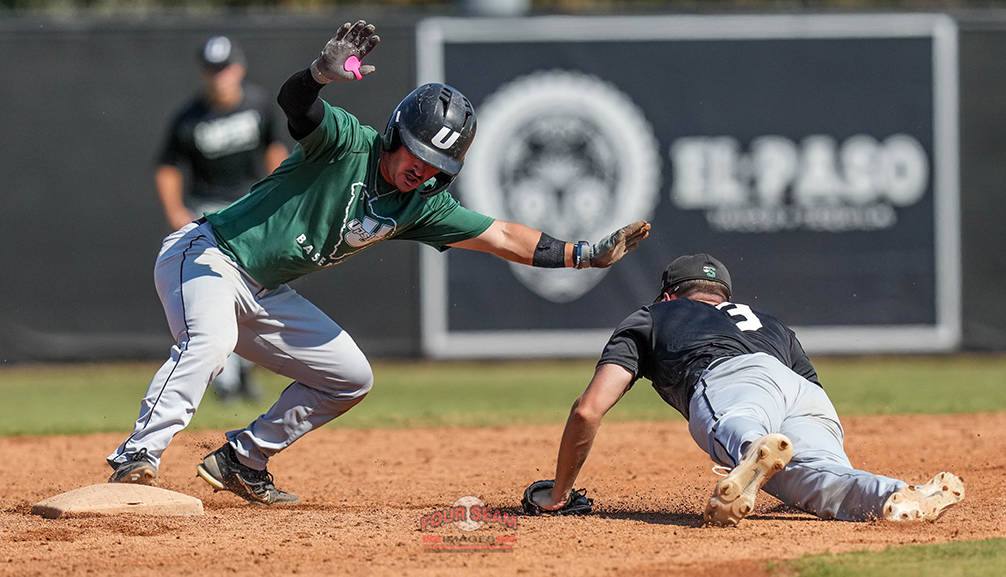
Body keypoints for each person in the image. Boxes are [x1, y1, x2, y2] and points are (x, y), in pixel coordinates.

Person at [106, 20, 652, 505]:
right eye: (418, 153)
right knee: (211, 341)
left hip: (264, 290)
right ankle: (137, 455)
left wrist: (584, 255)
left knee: (349, 377)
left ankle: (242, 459)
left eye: (438, 166)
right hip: (206, 254)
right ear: (394, 134)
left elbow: (504, 235)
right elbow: (296, 105)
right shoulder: (346, 144)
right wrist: (318, 73)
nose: (424, 170)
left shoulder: (421, 206)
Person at [524, 253, 964, 525]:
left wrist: (559, 494)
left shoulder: (653, 316)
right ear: (724, 296)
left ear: (668, 295)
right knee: (818, 478)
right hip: (801, 392)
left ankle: (753, 447)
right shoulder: (769, 321)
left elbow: (587, 410)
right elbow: (812, 394)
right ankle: (898, 494)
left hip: (732, 380)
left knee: (736, 423)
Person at [154, 35, 289, 403]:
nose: (220, 76)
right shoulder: (190, 117)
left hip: (251, 206)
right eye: (213, 70)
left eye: (225, 68)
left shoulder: (259, 104)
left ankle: (244, 370)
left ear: (239, 67)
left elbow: (275, 149)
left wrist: (281, 197)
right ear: (204, 73)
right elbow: (167, 167)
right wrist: (175, 211)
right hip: (210, 212)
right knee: (216, 297)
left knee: (256, 292)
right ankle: (226, 380)